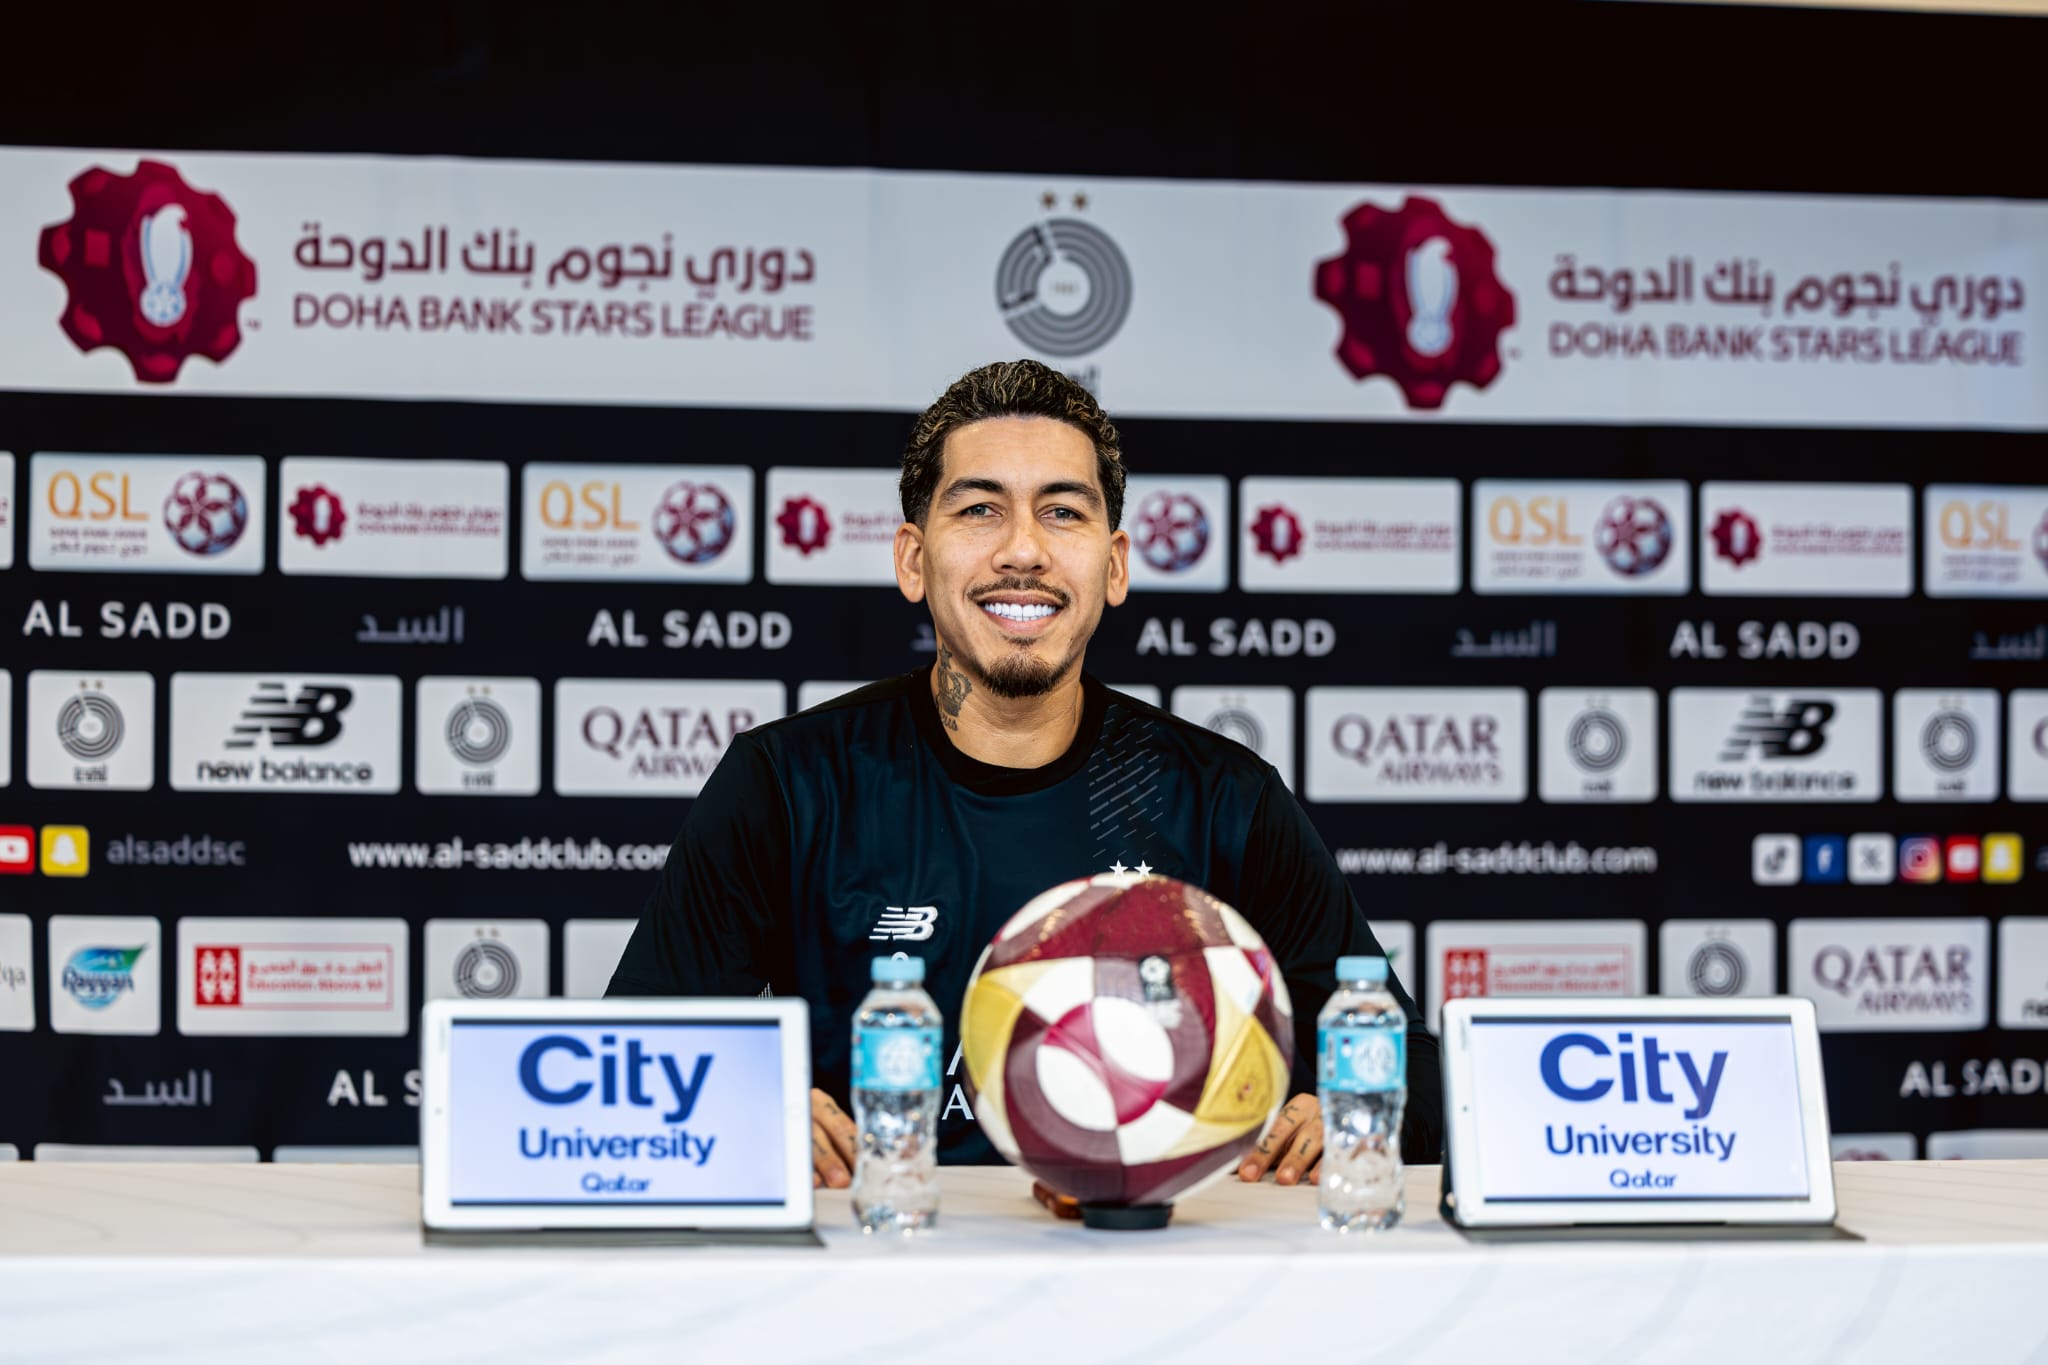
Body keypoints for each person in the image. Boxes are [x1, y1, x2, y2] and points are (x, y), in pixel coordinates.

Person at [609, 358, 1441, 1192]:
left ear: (1114, 566)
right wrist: (747, 1105)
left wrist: (1357, 1106)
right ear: (912, 559)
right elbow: (632, 1064)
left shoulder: (1224, 798)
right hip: (883, 1243)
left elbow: (1420, 1073)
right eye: (979, 509)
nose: (1022, 550)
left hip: (1141, 1250)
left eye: (1062, 511)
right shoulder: (787, 783)